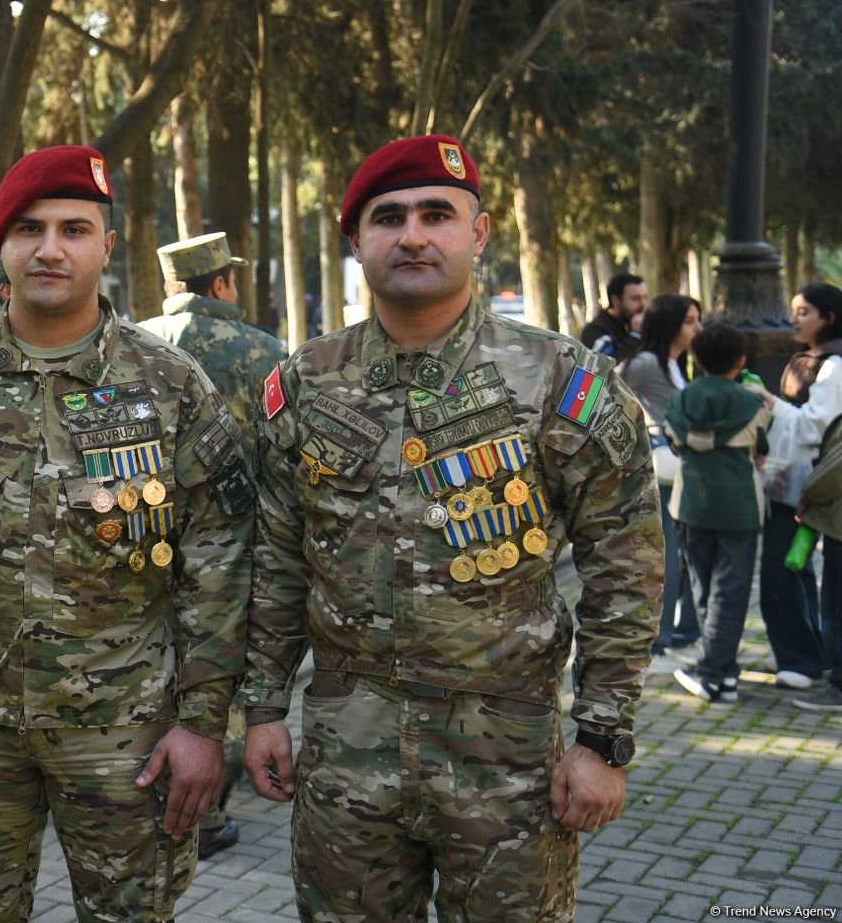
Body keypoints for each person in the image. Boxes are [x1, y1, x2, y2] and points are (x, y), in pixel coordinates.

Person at [242, 134, 663, 920]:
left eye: (437, 214)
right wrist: (263, 707)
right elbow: (278, 557)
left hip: (505, 755)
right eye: (388, 217)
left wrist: (602, 738)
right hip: (346, 748)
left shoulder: (560, 378)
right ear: (357, 240)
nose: (412, 235)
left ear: (480, 232)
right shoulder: (305, 380)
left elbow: (625, 561)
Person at [0, 144, 253, 921]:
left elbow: (220, 560)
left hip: (128, 734)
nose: (51, 247)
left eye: (75, 228)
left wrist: (204, 723)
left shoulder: (171, 386)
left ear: (106, 245)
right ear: (0, 248)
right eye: (29, 229)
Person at [139, 230, 285, 859]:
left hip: (142, 536)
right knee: (221, 654)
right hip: (239, 535)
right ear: (221, 284)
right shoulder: (266, 351)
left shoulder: (137, 344)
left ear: (174, 288)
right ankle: (209, 804)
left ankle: (148, 780)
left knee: (156, 655)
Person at [665, 322, 771, 703]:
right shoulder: (753, 401)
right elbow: (762, 449)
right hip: (739, 508)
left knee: (704, 590)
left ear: (696, 358)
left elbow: (676, 445)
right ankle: (716, 673)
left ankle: (721, 672)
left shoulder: (681, 400)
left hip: (692, 504)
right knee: (731, 592)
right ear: (741, 360)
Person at [760, 282, 842, 701]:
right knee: (796, 568)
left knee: (786, 568)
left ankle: (802, 662)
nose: (794, 318)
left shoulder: (833, 365)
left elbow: (816, 426)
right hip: (798, 480)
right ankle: (807, 656)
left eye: (804, 311)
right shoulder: (816, 360)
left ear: (828, 316)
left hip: (810, 482)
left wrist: (770, 404)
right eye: (793, 309)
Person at [618, 293, 703, 656]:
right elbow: (608, 391)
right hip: (659, 470)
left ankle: (678, 629)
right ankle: (659, 635)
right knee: (665, 553)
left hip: (680, 471)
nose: (697, 328)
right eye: (689, 320)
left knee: (680, 551)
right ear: (669, 324)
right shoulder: (648, 362)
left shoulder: (674, 363)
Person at [580, 272, 647, 362]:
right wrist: (635, 336)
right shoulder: (595, 330)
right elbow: (605, 367)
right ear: (615, 300)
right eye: (635, 299)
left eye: (644, 297)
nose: (643, 304)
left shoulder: (635, 323)